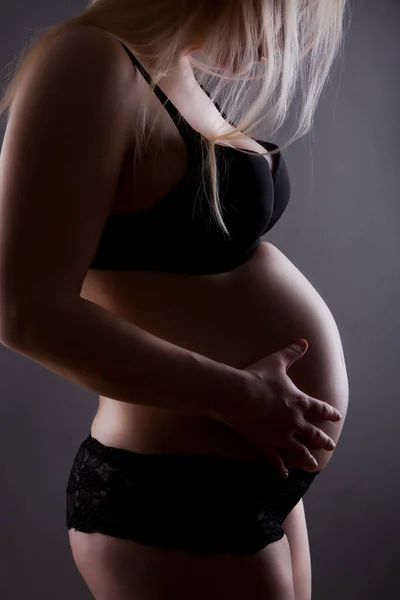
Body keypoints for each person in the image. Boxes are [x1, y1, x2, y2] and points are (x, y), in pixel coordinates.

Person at [0, 1, 349, 599]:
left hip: (254, 463)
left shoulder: (171, 69)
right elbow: (21, 309)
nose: (282, 42)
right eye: (276, 13)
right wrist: (235, 395)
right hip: (175, 493)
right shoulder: (88, 62)